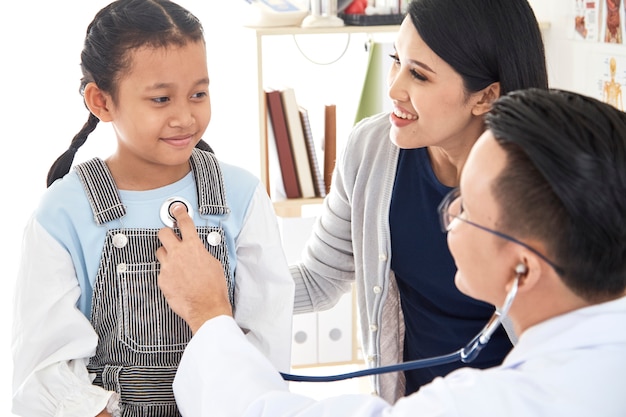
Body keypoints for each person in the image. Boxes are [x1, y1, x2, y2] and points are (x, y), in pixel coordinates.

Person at [157, 87, 626, 417]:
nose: (450, 216)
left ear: (522, 268)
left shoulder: (494, 404)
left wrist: (208, 314)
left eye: (466, 208)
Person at [11, 1, 294, 416]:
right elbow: (44, 370)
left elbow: (266, 344)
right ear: (101, 102)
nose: (185, 117)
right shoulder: (63, 212)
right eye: (161, 99)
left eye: (199, 93)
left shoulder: (242, 196)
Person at [289, 0, 548, 401]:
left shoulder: (550, 183)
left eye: (419, 75)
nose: (393, 88)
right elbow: (317, 280)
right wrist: (217, 297)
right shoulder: (370, 149)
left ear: (484, 97)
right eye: (396, 59)